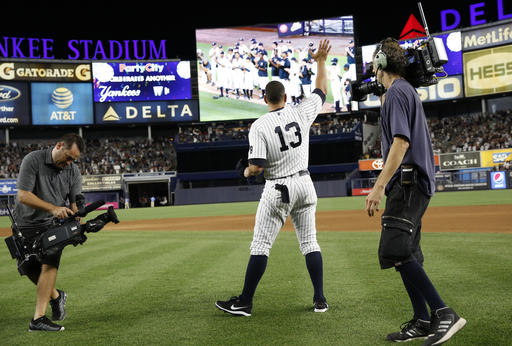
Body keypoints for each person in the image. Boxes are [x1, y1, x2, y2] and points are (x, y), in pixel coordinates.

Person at [215, 39, 332, 317]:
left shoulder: (259, 125)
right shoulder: (300, 111)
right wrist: (321, 61)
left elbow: (255, 167)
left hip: (279, 188)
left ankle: (244, 302)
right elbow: (322, 90)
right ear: (285, 97)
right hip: (305, 183)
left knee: (260, 245)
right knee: (310, 243)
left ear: (264, 99)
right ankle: (320, 299)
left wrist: (243, 172)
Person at [364, 38, 466, 345]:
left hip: (408, 183)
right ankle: (422, 320)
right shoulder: (400, 92)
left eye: (374, 60)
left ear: (381, 62)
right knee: (406, 253)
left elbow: (401, 142)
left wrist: (378, 187)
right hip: (414, 182)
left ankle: (443, 313)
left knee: (394, 249)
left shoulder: (398, 92)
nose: (371, 65)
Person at [13, 133, 85, 331]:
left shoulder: (73, 171)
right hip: (25, 224)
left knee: (49, 263)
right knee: (28, 268)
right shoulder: (33, 160)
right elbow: (23, 195)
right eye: (68, 157)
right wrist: (53, 208)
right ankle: (56, 296)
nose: (70, 163)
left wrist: (77, 217)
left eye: (74, 160)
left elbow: (74, 203)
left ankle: (38, 319)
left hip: (51, 225)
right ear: (59, 145)